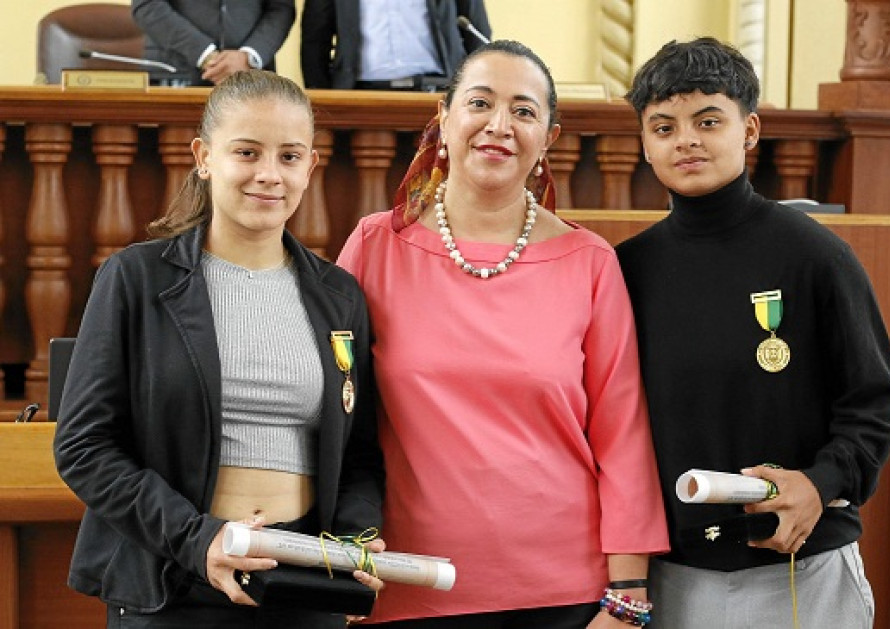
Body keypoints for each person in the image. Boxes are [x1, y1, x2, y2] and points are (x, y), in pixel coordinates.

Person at [337, 39, 669, 628]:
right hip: (406, 582)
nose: (499, 125)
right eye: (480, 103)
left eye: (523, 111)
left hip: (562, 595)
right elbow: (331, 412)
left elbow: (622, 436)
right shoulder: (374, 245)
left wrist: (628, 596)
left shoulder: (590, 262)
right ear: (443, 117)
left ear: (550, 138)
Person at [53, 69, 385, 628]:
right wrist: (198, 538)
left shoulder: (339, 296)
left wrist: (353, 541)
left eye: (289, 156)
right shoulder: (135, 279)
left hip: (303, 585)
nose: (269, 175)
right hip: (173, 577)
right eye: (247, 152)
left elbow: (361, 454)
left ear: (310, 166)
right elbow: (84, 447)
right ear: (204, 157)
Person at [615, 38, 890, 628]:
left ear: (749, 131)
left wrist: (820, 485)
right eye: (664, 127)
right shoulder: (625, 271)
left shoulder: (815, 255)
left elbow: (873, 404)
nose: (686, 139)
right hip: (673, 575)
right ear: (645, 144)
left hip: (804, 567)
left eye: (708, 120)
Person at [300, 0, 491, 91]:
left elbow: (475, 32)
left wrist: (475, 91)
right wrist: (325, 101)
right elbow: (315, 39)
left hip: (437, 92)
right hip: (360, 95)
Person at [131, 0, 295, 86]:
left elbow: (281, 8)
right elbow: (147, 5)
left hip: (252, 77)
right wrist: (207, 56)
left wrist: (248, 57)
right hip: (175, 74)